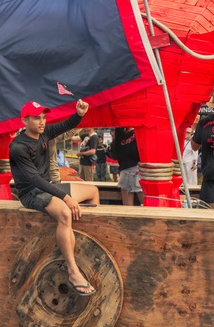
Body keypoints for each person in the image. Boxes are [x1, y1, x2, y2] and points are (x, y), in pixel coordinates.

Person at [10, 99, 100, 296]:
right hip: (31, 192)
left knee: (93, 191)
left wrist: (80, 114)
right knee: (65, 213)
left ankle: (88, 243)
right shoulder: (18, 147)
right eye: (37, 118)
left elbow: (66, 125)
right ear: (25, 121)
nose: (42, 122)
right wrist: (65, 197)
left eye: (43, 117)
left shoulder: (44, 133)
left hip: (48, 187)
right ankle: (73, 271)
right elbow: (34, 179)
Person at [108, 127, 142, 206]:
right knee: (127, 208)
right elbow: (114, 153)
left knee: (146, 205)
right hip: (127, 170)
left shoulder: (138, 131)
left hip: (137, 171)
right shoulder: (120, 132)